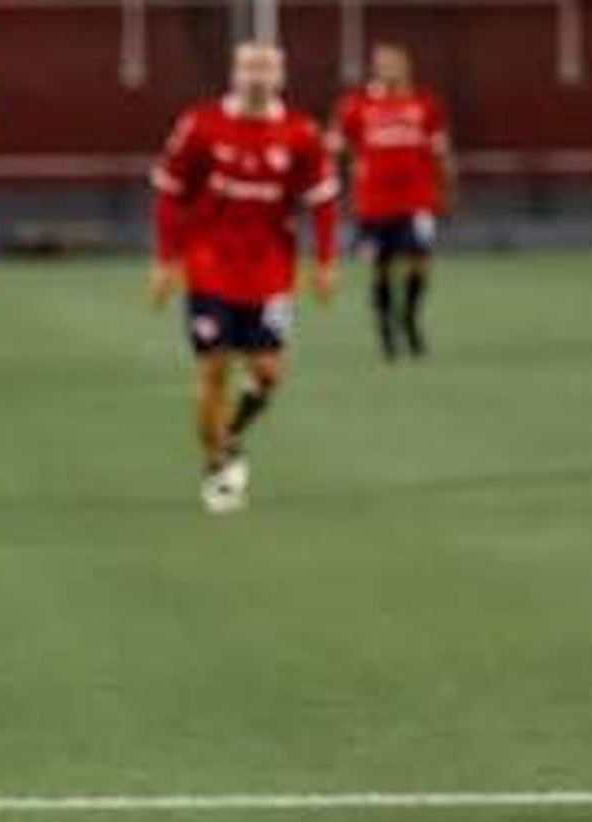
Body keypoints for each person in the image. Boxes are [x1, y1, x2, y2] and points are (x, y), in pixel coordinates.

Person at [149, 42, 339, 514]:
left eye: (267, 68)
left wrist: (325, 261)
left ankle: (230, 432)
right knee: (214, 369)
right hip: (210, 265)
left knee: (268, 373)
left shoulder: (300, 133)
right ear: (234, 73)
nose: (257, 76)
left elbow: (323, 201)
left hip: (270, 271)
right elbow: (171, 194)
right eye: (249, 67)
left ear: (281, 76)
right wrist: (166, 260)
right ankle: (217, 467)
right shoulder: (201, 125)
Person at [330, 43, 456, 360]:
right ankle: (386, 327)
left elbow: (441, 152)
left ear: (406, 66)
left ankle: (411, 318)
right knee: (382, 268)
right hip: (374, 202)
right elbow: (335, 147)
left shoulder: (425, 104)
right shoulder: (356, 105)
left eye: (394, 63)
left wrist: (448, 189)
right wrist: (341, 170)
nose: (389, 69)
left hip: (417, 199)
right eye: (382, 63)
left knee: (420, 262)